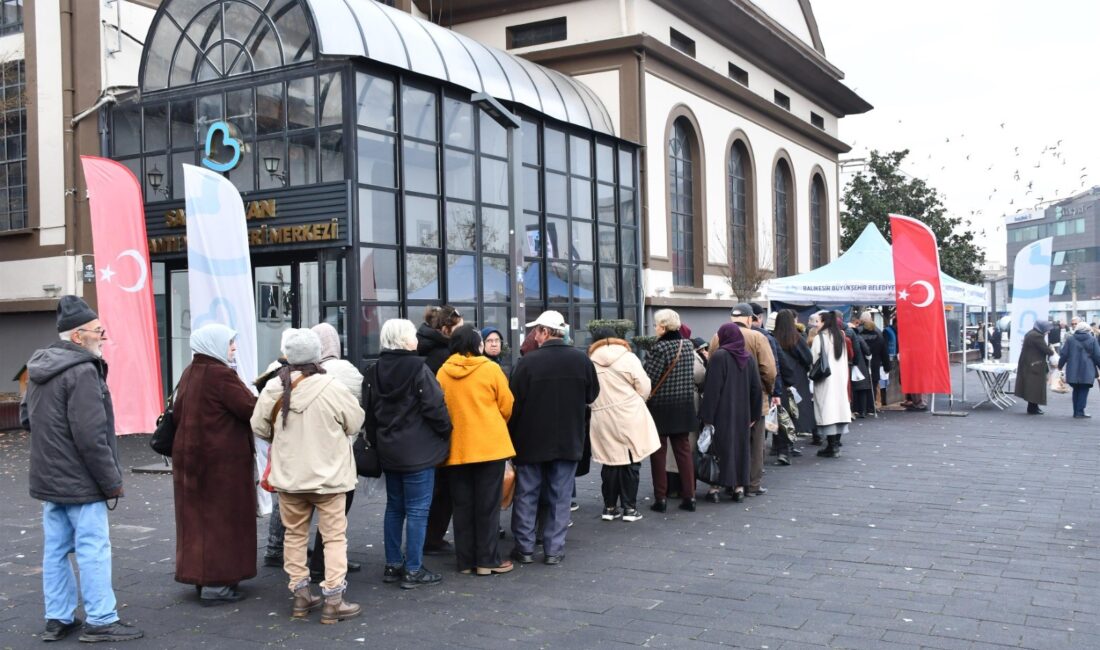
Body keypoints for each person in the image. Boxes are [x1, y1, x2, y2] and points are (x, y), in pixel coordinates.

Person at [20, 296, 143, 643]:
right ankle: (101, 618)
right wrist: (111, 482)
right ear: (78, 337)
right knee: (93, 549)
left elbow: (26, 419)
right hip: (80, 480)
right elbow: (91, 436)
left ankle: (57, 617)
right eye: (98, 331)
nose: (103, 336)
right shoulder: (83, 371)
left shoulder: (39, 366)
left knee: (56, 550)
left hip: (47, 477)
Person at [252, 328, 365, 623]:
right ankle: (333, 599)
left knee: (294, 536)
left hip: (289, 476)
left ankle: (301, 596)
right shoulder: (333, 387)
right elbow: (355, 423)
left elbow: (259, 426)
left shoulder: (274, 388)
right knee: (334, 538)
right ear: (317, 355)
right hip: (330, 477)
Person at [171, 324, 258, 605]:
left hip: (191, 462)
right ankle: (217, 585)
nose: (233, 347)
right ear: (215, 344)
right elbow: (250, 410)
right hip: (221, 465)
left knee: (197, 523)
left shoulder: (190, 373)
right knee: (222, 522)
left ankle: (201, 577)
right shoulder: (221, 375)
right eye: (230, 342)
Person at [364, 319, 453, 589]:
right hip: (418, 450)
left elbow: (368, 412)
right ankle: (413, 568)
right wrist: (445, 430)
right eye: (412, 335)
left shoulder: (374, 370)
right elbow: (435, 406)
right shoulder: (418, 368)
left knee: (395, 507)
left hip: (389, 448)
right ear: (404, 340)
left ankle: (393, 564)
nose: (416, 338)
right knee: (417, 509)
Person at [509, 311, 599, 565]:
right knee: (560, 497)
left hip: (531, 440)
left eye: (536, 331)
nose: (534, 336)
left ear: (545, 332)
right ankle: (553, 550)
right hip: (568, 438)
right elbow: (592, 395)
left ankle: (524, 548)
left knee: (526, 494)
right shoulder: (581, 360)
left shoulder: (527, 363)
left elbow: (513, 404)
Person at [436, 325, 516, 576]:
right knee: (487, 505)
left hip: (457, 448)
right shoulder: (490, 369)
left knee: (462, 506)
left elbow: (439, 406)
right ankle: (487, 561)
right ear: (476, 344)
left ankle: (466, 561)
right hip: (489, 446)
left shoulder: (443, 372)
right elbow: (507, 404)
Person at [306, 323, 365, 582]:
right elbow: (357, 414)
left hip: (305, 453)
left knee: (297, 518)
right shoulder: (348, 371)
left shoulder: (300, 374)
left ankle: (298, 573)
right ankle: (328, 565)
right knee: (336, 514)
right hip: (340, 452)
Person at [588, 327, 660, 521]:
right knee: (631, 460)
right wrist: (636, 400)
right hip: (629, 413)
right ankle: (629, 508)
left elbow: (587, 392)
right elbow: (644, 386)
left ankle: (609, 508)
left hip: (602, 416)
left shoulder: (589, 362)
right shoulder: (628, 357)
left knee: (610, 462)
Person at [709, 304, 778, 497]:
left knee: (726, 441)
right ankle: (752, 484)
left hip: (725, 402)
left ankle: (726, 479)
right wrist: (768, 390)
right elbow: (769, 370)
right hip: (754, 399)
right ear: (750, 319)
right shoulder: (758, 337)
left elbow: (712, 368)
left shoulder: (717, 336)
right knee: (755, 444)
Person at [418, 306, 464, 556]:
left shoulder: (422, 344)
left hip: (421, 429)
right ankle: (432, 538)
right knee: (442, 488)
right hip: (438, 427)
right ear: (446, 329)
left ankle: (428, 537)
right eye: (459, 327)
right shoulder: (443, 355)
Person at [645, 309, 702, 511]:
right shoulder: (687, 345)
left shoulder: (659, 348)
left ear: (663, 326)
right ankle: (690, 497)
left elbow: (648, 378)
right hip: (684, 405)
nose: (654, 328)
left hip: (660, 406)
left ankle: (660, 498)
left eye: (656, 325)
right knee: (684, 452)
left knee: (658, 453)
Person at [699, 324, 763, 502]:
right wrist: (754, 415)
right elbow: (756, 388)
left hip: (722, 412)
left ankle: (715, 488)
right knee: (740, 448)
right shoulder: (748, 358)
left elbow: (712, 389)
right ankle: (739, 488)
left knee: (720, 448)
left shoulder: (719, 356)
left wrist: (707, 416)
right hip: (743, 412)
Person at [771, 310, 813, 465]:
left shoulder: (772, 338)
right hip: (796, 379)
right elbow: (808, 358)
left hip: (778, 379)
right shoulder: (796, 338)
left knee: (777, 412)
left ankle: (778, 446)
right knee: (792, 413)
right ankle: (788, 446)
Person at [811, 311, 851, 458]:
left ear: (824, 323)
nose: (816, 324)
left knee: (827, 410)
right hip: (840, 379)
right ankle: (834, 445)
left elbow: (814, 359)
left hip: (825, 379)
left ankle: (831, 446)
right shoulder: (840, 336)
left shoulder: (819, 338)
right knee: (839, 409)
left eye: (818, 321)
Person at [1057, 322, 1100, 418]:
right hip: (1087, 369)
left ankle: (1076, 411)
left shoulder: (1070, 339)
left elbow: (1064, 354)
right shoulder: (1092, 339)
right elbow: (1097, 356)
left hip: (1073, 369)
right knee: (1084, 390)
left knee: (1076, 390)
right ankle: (1079, 412)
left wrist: (1060, 366)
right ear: (1088, 330)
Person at [1014, 320, 1055, 415]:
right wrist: (1052, 350)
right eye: (1047, 329)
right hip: (1035, 365)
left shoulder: (1031, 333)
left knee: (1032, 387)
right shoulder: (1037, 336)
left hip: (1029, 363)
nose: (1048, 332)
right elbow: (1046, 350)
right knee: (1035, 387)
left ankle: (1033, 407)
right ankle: (1033, 408)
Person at [859, 312, 892, 413]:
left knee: (862, 386)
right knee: (873, 385)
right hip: (875, 364)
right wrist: (887, 367)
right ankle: (871, 406)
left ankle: (862, 408)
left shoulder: (858, 334)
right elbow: (884, 353)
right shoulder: (879, 335)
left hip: (861, 364)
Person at [846, 313, 874, 418]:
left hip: (850, 364)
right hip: (860, 365)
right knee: (862, 388)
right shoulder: (858, 337)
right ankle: (862, 410)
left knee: (851, 389)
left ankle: (853, 410)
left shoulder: (844, 336)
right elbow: (867, 350)